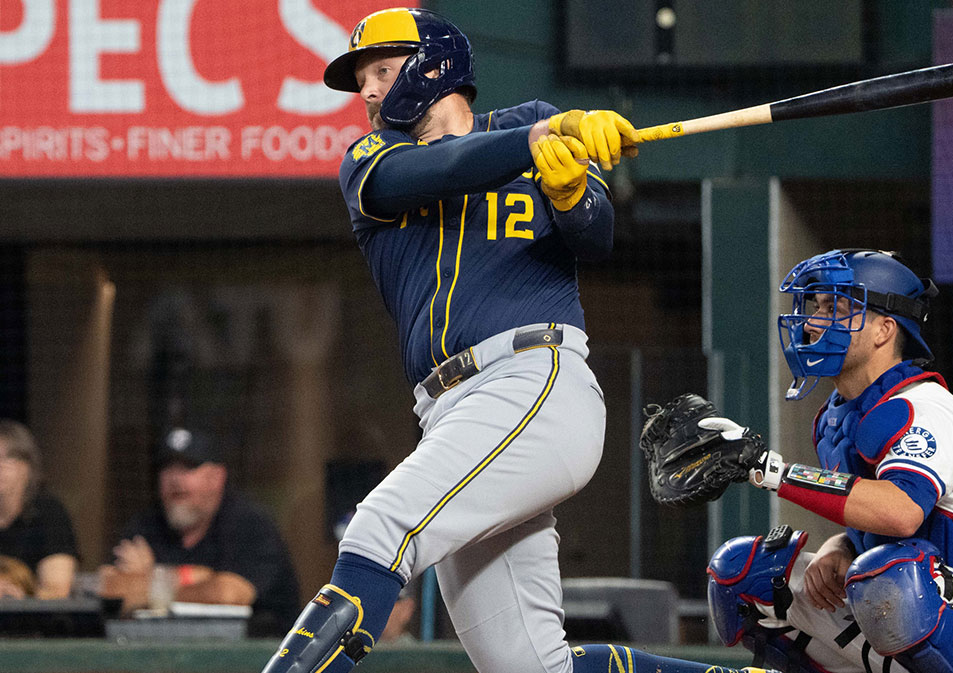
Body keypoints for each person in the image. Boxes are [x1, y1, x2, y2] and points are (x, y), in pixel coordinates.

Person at [262, 8, 772, 673]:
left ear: (433, 68)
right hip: (449, 412)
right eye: (364, 78)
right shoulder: (371, 160)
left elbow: (596, 235)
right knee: (529, 667)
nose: (367, 91)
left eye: (382, 72)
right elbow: (436, 171)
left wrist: (568, 193)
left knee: (383, 525)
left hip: (534, 378)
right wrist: (542, 137)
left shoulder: (530, 123)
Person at [697, 249, 953, 673]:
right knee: (746, 572)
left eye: (837, 308)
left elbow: (901, 514)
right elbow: (878, 517)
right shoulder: (839, 415)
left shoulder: (925, 406)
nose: (813, 321)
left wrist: (770, 470)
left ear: (884, 329)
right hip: (935, 604)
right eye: (816, 306)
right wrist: (841, 544)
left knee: (889, 579)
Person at [99, 427, 299, 636]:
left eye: (188, 468)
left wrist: (152, 580)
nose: (175, 480)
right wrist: (195, 578)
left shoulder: (250, 523)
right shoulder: (145, 524)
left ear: (217, 477)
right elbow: (110, 589)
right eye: (168, 468)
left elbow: (228, 595)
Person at [0, 419, 79, 599]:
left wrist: (16, 598)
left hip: (32, 622)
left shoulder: (48, 512)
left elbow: (57, 591)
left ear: (28, 467)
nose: (0, 465)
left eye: (9, 457)